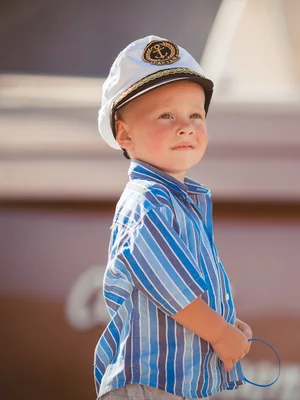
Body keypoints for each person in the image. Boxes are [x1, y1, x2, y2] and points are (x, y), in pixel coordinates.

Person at [94, 35, 252, 399]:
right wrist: (220, 334)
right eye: (166, 115)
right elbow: (171, 289)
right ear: (124, 133)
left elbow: (189, 287)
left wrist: (223, 321)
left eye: (196, 114)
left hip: (175, 381)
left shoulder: (176, 201)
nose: (186, 126)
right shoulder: (148, 204)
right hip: (152, 382)